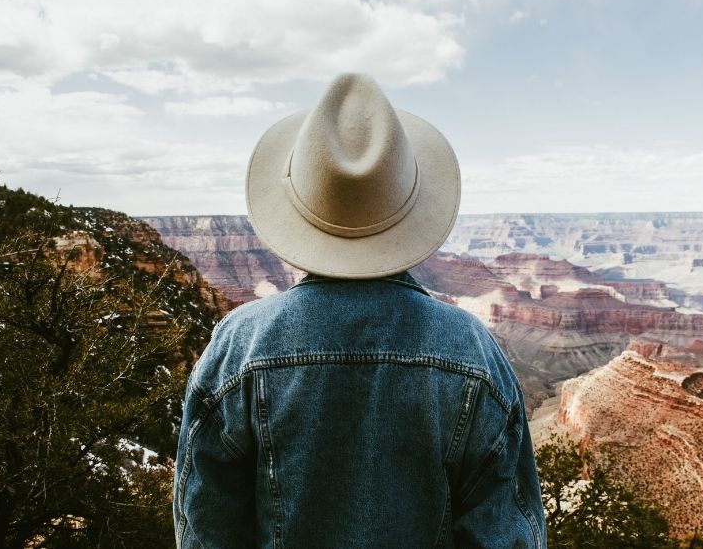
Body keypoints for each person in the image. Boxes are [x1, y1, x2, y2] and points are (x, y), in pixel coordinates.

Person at [173, 73, 546, 548]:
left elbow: (205, 529)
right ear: (409, 205)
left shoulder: (238, 346)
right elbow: (505, 535)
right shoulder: (473, 353)